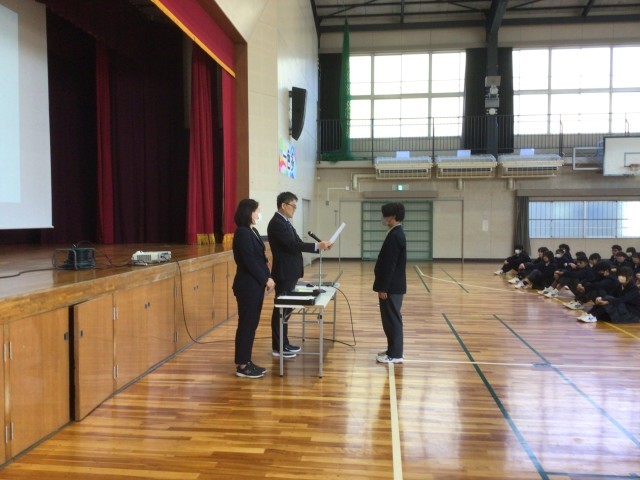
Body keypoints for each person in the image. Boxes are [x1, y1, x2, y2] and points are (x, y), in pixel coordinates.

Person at [267, 192, 332, 358]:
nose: (294, 210)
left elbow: (298, 242)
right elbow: (292, 245)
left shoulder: (285, 222)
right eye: (293, 206)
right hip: (284, 272)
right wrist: (317, 246)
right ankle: (278, 346)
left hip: (290, 271)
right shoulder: (277, 223)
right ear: (283, 205)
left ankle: (284, 342)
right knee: (281, 309)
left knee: (286, 310)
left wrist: (319, 247)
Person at [232, 199, 275, 378]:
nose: (259, 214)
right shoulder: (242, 233)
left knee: (251, 325)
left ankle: (246, 360)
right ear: (248, 212)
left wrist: (268, 276)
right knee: (246, 324)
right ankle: (242, 365)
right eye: (257, 211)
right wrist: (266, 279)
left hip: (256, 286)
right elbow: (249, 261)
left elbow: (260, 258)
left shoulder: (253, 231)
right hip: (247, 286)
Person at [374, 202, 407, 364]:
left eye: (385, 215)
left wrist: (383, 287)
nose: (383, 218)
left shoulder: (395, 235)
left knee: (392, 320)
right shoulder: (395, 233)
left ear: (392, 216)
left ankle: (395, 354)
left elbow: (390, 265)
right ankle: (391, 350)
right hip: (392, 286)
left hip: (391, 287)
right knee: (389, 320)